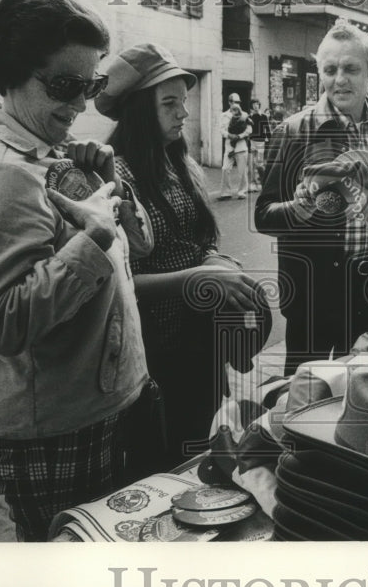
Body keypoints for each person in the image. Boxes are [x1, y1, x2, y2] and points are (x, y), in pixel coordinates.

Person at [0, 0, 154, 541]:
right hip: (58, 429)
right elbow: (3, 324)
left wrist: (113, 189)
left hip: (100, 404)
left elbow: (141, 248)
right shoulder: (5, 174)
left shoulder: (46, 152)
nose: (81, 105)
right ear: (14, 74)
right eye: (65, 86)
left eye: (89, 86)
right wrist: (91, 238)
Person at [95, 43, 266, 466]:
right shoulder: (114, 176)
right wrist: (198, 278)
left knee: (202, 455)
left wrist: (214, 262)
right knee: (162, 463)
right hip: (154, 359)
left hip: (199, 346)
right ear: (138, 109)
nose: (183, 113)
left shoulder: (178, 161)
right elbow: (119, 285)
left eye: (183, 101)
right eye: (169, 103)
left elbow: (200, 239)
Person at [255, 19, 368, 375]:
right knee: (302, 387)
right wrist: (297, 209)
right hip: (313, 289)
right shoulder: (295, 131)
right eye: (330, 70)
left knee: (360, 381)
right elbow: (263, 214)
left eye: (351, 68)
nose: (339, 80)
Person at [219, 93, 252, 199]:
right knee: (225, 169)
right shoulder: (224, 115)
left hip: (241, 146)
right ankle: (226, 193)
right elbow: (221, 130)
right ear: (229, 102)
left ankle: (242, 192)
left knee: (242, 171)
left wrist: (240, 136)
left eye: (238, 102)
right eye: (234, 102)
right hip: (229, 147)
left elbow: (249, 130)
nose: (236, 104)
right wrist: (229, 135)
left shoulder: (245, 115)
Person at [248, 98, 271, 192]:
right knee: (251, 165)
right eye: (253, 104)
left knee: (259, 164)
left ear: (259, 105)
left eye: (257, 104)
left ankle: (262, 182)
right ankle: (252, 184)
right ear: (252, 106)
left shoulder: (264, 116)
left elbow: (267, 130)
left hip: (261, 142)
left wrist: (269, 141)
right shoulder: (249, 117)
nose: (255, 106)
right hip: (252, 141)